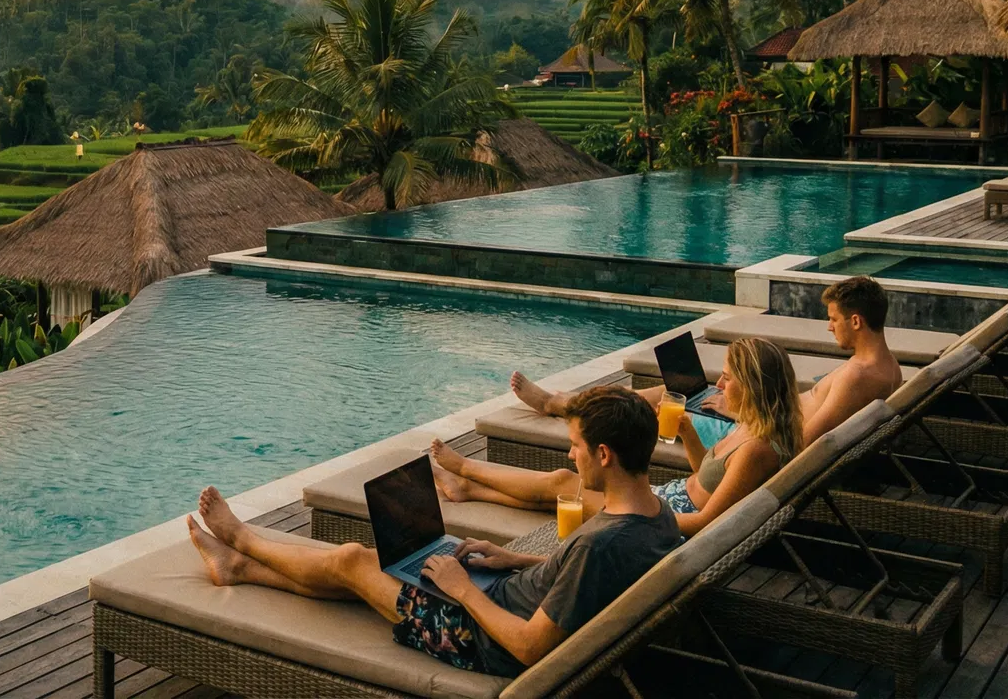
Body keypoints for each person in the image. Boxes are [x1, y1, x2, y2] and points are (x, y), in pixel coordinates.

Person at [187, 386, 682, 677]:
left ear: (603, 454)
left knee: (353, 561)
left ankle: (243, 541)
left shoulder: (601, 543)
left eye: (575, 446)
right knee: (379, 574)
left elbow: (531, 647)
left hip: (477, 637)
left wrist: (463, 590)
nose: (568, 455)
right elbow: (575, 577)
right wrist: (515, 559)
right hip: (502, 593)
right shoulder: (654, 515)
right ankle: (240, 568)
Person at [429, 337, 800, 536]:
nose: (718, 385)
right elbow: (710, 476)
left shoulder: (757, 449)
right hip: (669, 501)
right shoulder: (755, 428)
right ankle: (468, 489)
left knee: (564, 482)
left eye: (728, 379)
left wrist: (643, 512)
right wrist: (687, 433)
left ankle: (466, 468)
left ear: (753, 386)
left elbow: (708, 524)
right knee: (566, 494)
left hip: (666, 519)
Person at [511, 275, 902, 447]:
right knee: (681, 389)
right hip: (764, 417)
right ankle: (570, 402)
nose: (829, 327)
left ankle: (563, 405)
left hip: (754, 436)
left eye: (833, 319)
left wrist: (739, 414)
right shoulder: (887, 368)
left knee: (663, 401)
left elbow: (801, 441)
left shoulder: (858, 375)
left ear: (856, 320)